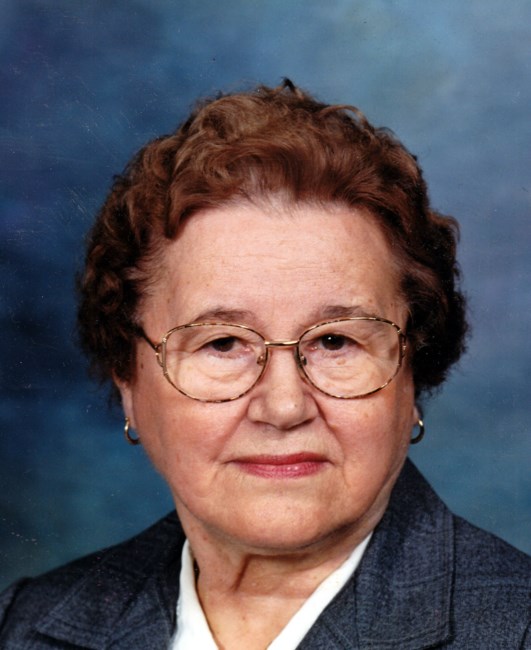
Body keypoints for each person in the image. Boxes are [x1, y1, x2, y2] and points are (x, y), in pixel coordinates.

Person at [0, 79, 529, 649]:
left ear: (414, 373)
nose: (284, 406)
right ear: (127, 379)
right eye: (223, 344)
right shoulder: (21, 628)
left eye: (335, 342)